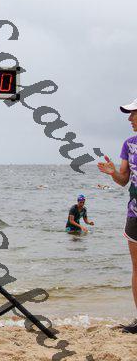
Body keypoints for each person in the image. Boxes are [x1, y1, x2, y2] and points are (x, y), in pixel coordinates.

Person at [97, 97, 137, 334]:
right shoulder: (129, 144)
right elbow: (123, 180)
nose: (130, 118)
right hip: (135, 213)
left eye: (133, 113)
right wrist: (113, 173)